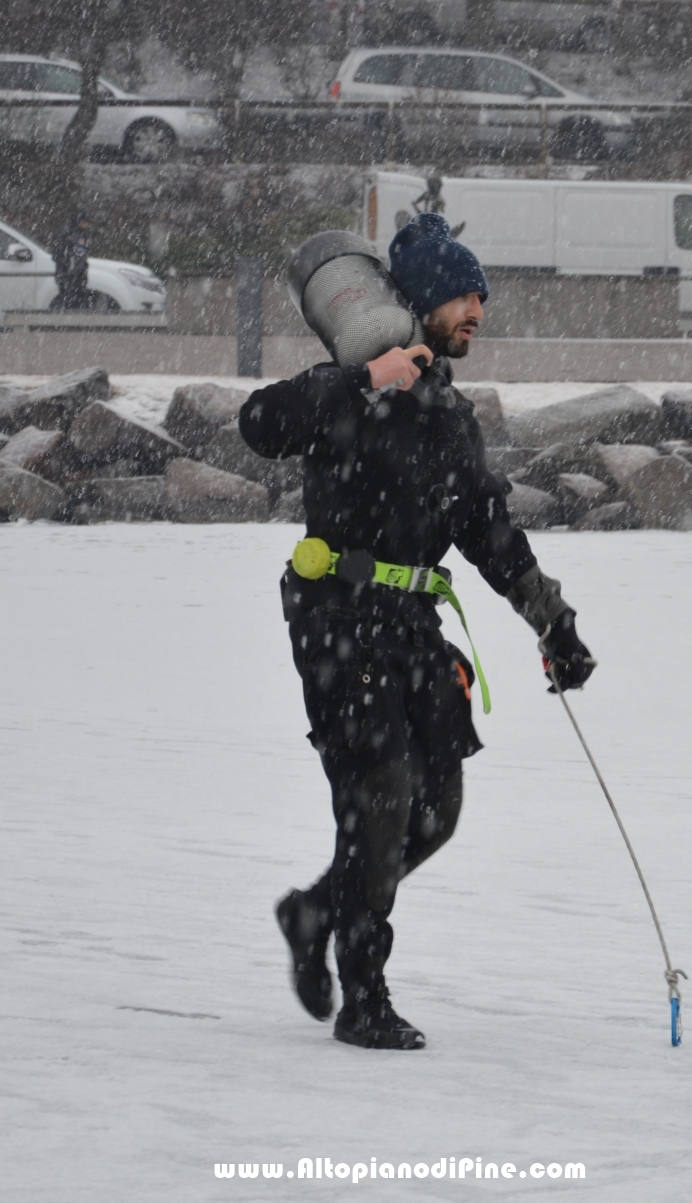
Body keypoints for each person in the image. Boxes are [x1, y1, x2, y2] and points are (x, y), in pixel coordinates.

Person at [239, 213, 594, 1051]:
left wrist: (556, 622)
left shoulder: (449, 415)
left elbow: (491, 536)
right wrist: (364, 379)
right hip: (335, 617)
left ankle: (317, 909)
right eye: (466, 295)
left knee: (436, 808)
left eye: (481, 299)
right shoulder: (348, 386)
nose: (478, 310)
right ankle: (364, 991)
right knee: (382, 793)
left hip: (411, 624)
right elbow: (258, 424)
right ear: (425, 300)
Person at [52, 212, 93, 311]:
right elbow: (59, 255)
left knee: (78, 302)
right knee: (69, 303)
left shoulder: (82, 235)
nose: (86, 225)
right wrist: (67, 269)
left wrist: (82, 269)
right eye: (83, 222)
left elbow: (81, 255)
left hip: (78, 275)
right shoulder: (69, 235)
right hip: (69, 276)